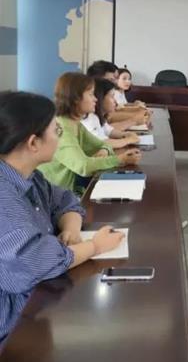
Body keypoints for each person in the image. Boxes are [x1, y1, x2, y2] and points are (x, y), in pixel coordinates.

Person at [0, 91, 125, 342]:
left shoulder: (29, 176)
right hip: (13, 323)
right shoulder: (4, 197)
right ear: (33, 143)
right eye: (56, 131)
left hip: (38, 299)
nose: (59, 138)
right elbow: (36, 261)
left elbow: (65, 200)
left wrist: (71, 229)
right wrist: (95, 246)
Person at [38, 73, 142, 193]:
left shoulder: (75, 124)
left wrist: (104, 150)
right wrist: (120, 160)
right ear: (76, 98)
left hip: (72, 190)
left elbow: (104, 145)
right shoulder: (61, 129)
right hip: (57, 197)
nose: (96, 99)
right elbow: (83, 166)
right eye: (91, 94)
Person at [81, 78, 141, 149]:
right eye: (112, 96)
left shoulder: (94, 117)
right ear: (100, 97)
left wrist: (125, 134)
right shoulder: (87, 119)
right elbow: (101, 143)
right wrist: (128, 140)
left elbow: (108, 130)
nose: (115, 101)